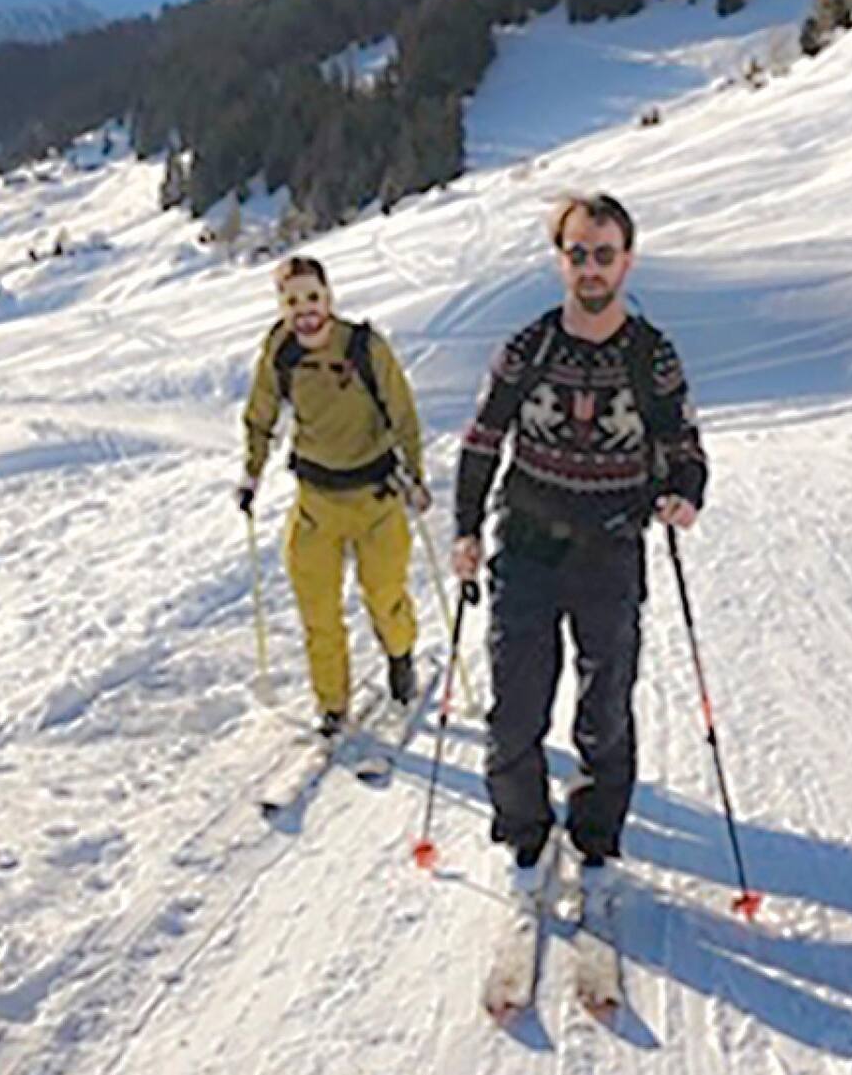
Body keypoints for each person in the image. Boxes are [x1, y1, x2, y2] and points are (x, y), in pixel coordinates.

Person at [452, 193, 708, 908]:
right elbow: (482, 437)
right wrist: (467, 528)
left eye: (604, 253)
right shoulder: (528, 346)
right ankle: (525, 835)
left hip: (612, 544)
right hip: (528, 545)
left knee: (605, 708)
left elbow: (682, 440)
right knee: (516, 708)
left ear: (627, 259)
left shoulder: (649, 354)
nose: (590, 267)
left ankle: (597, 839)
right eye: (577, 253)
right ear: (559, 259)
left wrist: (685, 491)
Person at [238, 255, 431, 736]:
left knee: (385, 595)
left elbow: (402, 412)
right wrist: (251, 474)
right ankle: (332, 705)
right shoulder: (280, 352)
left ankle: (400, 657)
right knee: (317, 612)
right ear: (282, 306)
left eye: (312, 297)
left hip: (375, 500)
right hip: (316, 502)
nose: (304, 310)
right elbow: (260, 415)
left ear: (328, 297)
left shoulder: (365, 348)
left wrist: (415, 473)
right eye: (292, 301)